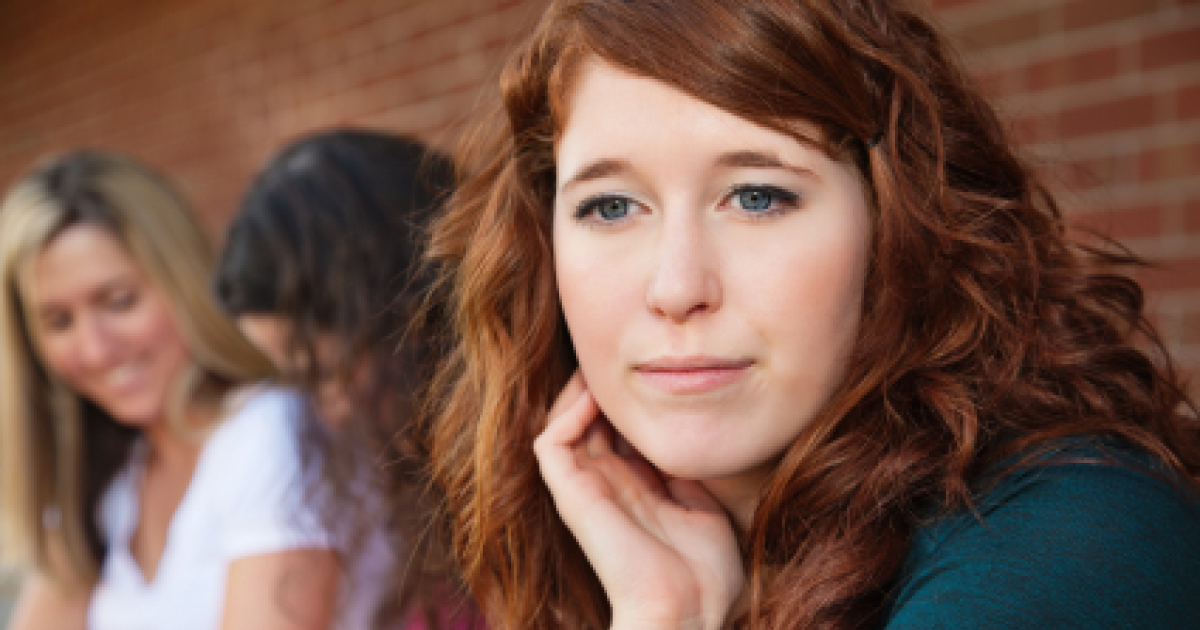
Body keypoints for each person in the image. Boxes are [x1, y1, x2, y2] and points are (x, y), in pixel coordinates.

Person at [418, 1, 1200, 629]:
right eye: (612, 206)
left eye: (758, 196)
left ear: (896, 226)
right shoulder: (626, 554)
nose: (676, 287)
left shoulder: (1067, 544)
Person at [0, 151, 340, 630]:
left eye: (119, 302)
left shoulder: (269, 429)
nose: (95, 350)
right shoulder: (104, 481)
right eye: (58, 321)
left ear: (184, 284)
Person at [214, 129, 469, 629]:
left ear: (419, 318)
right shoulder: (420, 493)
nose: (329, 410)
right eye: (300, 380)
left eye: (333, 371)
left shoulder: (568, 461)